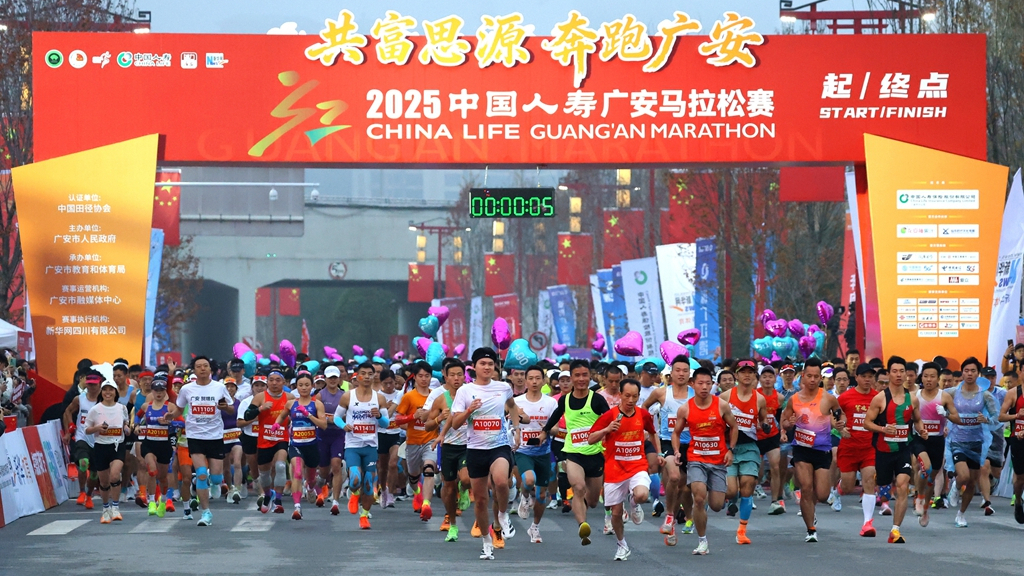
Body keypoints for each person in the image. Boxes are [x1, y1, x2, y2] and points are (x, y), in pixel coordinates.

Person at [450, 347, 522, 560]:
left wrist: (517, 429)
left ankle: (502, 516)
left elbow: (513, 407)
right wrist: (469, 410)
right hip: (475, 449)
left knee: (501, 482)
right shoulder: (465, 391)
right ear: (474, 367)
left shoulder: (503, 387)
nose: (487, 367)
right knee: (480, 500)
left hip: (499, 446)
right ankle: (486, 542)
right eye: (483, 363)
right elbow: (455, 424)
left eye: (491, 364)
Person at [540, 358, 609, 547]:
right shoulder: (566, 400)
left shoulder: (597, 399)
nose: (581, 379)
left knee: (593, 501)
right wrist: (544, 432)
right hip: (573, 453)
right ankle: (582, 525)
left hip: (595, 454)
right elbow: (555, 416)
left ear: (590, 377)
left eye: (585, 375)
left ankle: (583, 507)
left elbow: (609, 419)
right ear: (571, 378)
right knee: (578, 488)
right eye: (577, 375)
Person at [588, 378, 658, 561]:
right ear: (620, 395)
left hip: (637, 465)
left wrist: (658, 453)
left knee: (642, 494)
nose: (631, 400)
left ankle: (634, 503)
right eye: (627, 396)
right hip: (614, 469)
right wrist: (607, 430)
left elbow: (653, 433)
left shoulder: (643, 414)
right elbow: (590, 439)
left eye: (635, 396)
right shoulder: (609, 415)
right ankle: (622, 545)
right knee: (616, 512)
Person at [672, 367, 739, 555]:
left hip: (718, 460)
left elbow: (734, 427)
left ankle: (712, 492)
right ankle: (702, 541)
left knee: (716, 505)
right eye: (700, 383)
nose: (704, 387)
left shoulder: (721, 406)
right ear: (692, 384)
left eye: (708, 383)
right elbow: (676, 433)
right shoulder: (685, 408)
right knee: (699, 498)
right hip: (696, 459)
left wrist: (731, 450)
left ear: (712, 385)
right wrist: (676, 451)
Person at [863, 356, 927, 544]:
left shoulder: (912, 398)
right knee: (884, 492)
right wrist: (883, 429)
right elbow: (867, 423)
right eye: (895, 371)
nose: (899, 375)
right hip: (883, 450)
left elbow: (917, 420)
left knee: (902, 485)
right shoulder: (880, 398)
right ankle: (880, 485)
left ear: (906, 374)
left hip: (903, 449)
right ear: (889, 373)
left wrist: (922, 430)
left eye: (902, 371)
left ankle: (895, 530)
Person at [779, 357, 843, 542]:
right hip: (802, 449)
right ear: (803, 376)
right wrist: (787, 425)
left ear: (820, 378)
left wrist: (840, 423)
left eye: (816, 376)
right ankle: (811, 529)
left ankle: (810, 509)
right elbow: (784, 420)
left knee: (822, 494)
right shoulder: (794, 399)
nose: (813, 379)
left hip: (822, 450)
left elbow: (840, 414)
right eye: (809, 376)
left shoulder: (828, 398)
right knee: (806, 487)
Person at [168, 356, 234, 526]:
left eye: (205, 366)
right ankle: (206, 513)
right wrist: (170, 416)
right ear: (194, 370)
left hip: (215, 436)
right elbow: (179, 409)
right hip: (195, 436)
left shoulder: (219, 387)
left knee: (216, 478)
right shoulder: (187, 389)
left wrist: (225, 407)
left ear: (210, 369)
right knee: (202, 474)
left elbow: (231, 409)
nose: (202, 368)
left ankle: (215, 482)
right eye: (199, 366)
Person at [643, 354, 695, 543]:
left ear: (689, 374)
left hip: (691, 444)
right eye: (677, 370)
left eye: (685, 371)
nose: (681, 374)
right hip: (667, 442)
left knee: (684, 487)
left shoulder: (695, 393)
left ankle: (676, 522)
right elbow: (644, 408)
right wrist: (650, 429)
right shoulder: (661, 393)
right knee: (674, 477)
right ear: (671, 373)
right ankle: (670, 515)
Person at [335, 363, 390, 529]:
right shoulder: (348, 396)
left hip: (371, 446)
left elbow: (386, 424)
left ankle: (364, 515)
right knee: (355, 479)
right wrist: (344, 425)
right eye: (363, 373)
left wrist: (379, 416)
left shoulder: (379, 398)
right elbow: (336, 417)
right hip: (352, 445)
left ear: (374, 376)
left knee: (368, 482)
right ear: (357, 376)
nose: (366, 377)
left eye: (370, 374)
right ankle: (354, 492)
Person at [948, 357, 999, 528]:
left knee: (972, 482)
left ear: (978, 374)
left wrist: (986, 420)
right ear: (962, 373)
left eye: (973, 371)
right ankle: (955, 486)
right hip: (957, 440)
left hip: (976, 442)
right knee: (964, 476)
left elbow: (997, 418)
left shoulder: (985, 395)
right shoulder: (952, 393)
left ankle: (961, 514)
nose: (969, 374)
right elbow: (939, 407)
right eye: (966, 371)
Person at [721, 359, 768, 545]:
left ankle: (742, 530)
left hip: (749, 447)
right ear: (736, 375)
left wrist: (765, 425)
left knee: (748, 485)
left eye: (750, 372)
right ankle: (727, 498)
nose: (747, 375)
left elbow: (763, 420)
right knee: (731, 490)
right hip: (728, 448)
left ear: (755, 375)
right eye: (743, 372)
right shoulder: (725, 396)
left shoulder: (760, 399)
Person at [427, 359, 471, 541]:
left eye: (460, 374)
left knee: (466, 479)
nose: (456, 378)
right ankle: (452, 525)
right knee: (449, 488)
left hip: (468, 445)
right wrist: (438, 419)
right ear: (445, 376)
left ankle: (465, 488)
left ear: (464, 376)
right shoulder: (440, 399)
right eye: (452, 375)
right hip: (448, 447)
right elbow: (427, 426)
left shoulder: (471, 395)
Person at [514, 365, 558, 544]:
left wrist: (546, 430)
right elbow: (512, 425)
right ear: (525, 381)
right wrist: (516, 432)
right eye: (530, 378)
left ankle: (535, 527)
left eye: (537, 378)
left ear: (543, 381)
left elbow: (556, 429)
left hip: (543, 453)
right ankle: (524, 496)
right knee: (529, 480)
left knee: (541, 496)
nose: (534, 382)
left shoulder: (551, 403)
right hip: (523, 451)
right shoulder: (517, 402)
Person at [911, 362, 959, 526]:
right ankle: (919, 497)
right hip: (919, 439)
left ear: (938, 378)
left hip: (937, 440)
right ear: (921, 377)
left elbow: (957, 418)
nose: (929, 379)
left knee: (931, 477)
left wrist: (946, 413)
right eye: (926, 376)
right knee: (926, 468)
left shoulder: (944, 397)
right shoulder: (914, 396)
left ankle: (925, 508)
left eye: (932, 376)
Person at [837, 364, 881, 536]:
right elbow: (833, 417)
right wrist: (840, 428)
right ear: (856, 377)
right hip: (849, 447)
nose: (867, 379)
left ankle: (867, 523)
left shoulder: (878, 397)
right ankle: (838, 488)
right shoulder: (845, 397)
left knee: (869, 480)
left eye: (870, 376)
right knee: (848, 487)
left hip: (870, 447)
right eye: (864, 376)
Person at [277, 371, 328, 520]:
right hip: (295, 445)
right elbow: (282, 416)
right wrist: (276, 424)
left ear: (312, 386)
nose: (304, 388)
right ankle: (297, 507)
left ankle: (310, 488)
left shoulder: (317, 404)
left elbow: (323, 425)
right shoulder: (291, 403)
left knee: (311, 478)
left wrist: (308, 415)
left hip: (312, 445)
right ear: (296, 387)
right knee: (298, 473)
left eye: (307, 385)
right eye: (300, 385)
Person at [394, 361, 440, 521]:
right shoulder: (409, 396)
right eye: (421, 376)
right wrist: (413, 416)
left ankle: (426, 504)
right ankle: (417, 492)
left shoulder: (436, 396)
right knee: (413, 475)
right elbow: (397, 419)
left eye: (427, 376)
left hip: (431, 441)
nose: (424, 379)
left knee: (429, 469)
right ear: (414, 377)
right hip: (413, 442)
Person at [84, 378, 131, 523]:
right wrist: (97, 428)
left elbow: (125, 422)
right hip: (101, 447)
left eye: (111, 390)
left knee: (115, 476)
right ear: (101, 392)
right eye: (105, 390)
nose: (108, 392)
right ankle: (106, 509)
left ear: (115, 392)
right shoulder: (95, 410)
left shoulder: (122, 408)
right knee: (104, 482)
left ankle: (115, 507)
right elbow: (86, 429)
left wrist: (126, 428)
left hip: (117, 445)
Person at [247, 368, 291, 514]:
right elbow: (247, 415)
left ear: (283, 382)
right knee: (264, 474)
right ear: (267, 383)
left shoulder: (289, 397)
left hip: (281, 437)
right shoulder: (260, 397)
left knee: (280, 466)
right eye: (271, 380)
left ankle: (278, 500)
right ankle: (267, 494)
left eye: (278, 380)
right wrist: (260, 409)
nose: (274, 383)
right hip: (264, 439)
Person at [64, 370, 102, 510]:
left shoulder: (104, 400)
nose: (92, 387)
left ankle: (89, 495)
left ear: (100, 384)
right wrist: (70, 427)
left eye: (94, 385)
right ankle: (81, 492)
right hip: (82, 436)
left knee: (94, 473)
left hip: (98, 440)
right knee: (83, 463)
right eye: (89, 384)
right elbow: (68, 411)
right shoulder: (79, 399)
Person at [137, 376, 173, 517]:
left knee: (162, 477)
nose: (158, 393)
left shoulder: (170, 407)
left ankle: (163, 500)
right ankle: (151, 501)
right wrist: (136, 426)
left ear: (165, 392)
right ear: (152, 391)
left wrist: (169, 422)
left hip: (164, 444)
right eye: (156, 390)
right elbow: (137, 416)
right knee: (152, 471)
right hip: (149, 443)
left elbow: (182, 422)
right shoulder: (147, 406)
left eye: (161, 390)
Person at [315, 365, 347, 514]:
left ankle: (335, 501)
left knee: (336, 465)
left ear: (339, 379)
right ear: (325, 379)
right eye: (330, 378)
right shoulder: (320, 396)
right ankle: (320, 487)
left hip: (338, 434)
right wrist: (331, 419)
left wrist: (337, 419)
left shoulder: (344, 395)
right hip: (323, 434)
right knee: (323, 470)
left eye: (335, 377)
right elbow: (318, 416)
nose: (333, 380)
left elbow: (348, 415)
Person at [756, 365, 785, 514]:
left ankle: (775, 501)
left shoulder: (779, 397)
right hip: (757, 437)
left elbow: (780, 418)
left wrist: (783, 432)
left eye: (770, 376)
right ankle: (749, 496)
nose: (767, 379)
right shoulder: (755, 395)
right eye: (764, 377)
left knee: (775, 467)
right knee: (758, 472)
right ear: (760, 379)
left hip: (772, 436)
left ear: (775, 379)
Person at [236, 375, 267, 502]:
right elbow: (239, 423)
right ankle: (256, 483)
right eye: (256, 385)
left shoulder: (271, 401)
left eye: (262, 385)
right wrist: (254, 418)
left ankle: (264, 492)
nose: (259, 388)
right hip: (250, 437)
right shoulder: (246, 402)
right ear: (252, 387)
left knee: (266, 465)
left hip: (267, 436)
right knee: (253, 467)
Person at [998, 372, 1024, 523]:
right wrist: (1016, 416)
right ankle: (1018, 501)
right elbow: (1001, 416)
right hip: (1018, 440)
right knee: (1020, 477)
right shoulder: (1014, 393)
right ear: (1021, 372)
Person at [376, 369, 404, 507]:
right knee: (382, 467)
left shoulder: (400, 395)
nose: (389, 386)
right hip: (381, 433)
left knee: (393, 464)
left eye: (391, 383)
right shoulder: (377, 396)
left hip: (395, 433)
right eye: (385, 383)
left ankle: (391, 493)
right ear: (381, 383)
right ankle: (383, 490)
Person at [221, 377, 244, 503]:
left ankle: (237, 490)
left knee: (237, 463)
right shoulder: (220, 402)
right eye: (227, 387)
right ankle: (230, 488)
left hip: (236, 436)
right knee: (225, 467)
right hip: (223, 436)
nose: (230, 389)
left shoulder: (239, 403)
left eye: (232, 387)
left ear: (236, 389)